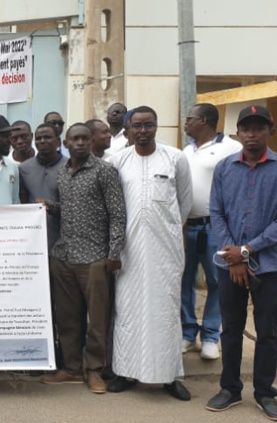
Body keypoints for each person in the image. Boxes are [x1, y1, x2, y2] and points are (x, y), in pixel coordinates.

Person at [205, 105, 277, 422]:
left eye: (258, 128)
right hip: (228, 263)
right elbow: (216, 214)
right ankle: (230, 389)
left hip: (269, 267)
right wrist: (232, 253)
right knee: (230, 330)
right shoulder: (224, 168)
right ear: (238, 132)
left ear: (269, 131)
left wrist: (246, 251)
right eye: (246, 128)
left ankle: (264, 393)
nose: (251, 134)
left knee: (268, 332)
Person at [106, 106, 193, 400]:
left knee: (165, 310)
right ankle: (126, 372)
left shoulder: (175, 158)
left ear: (157, 127)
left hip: (165, 250)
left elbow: (184, 203)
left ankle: (168, 377)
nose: (143, 131)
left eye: (149, 125)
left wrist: (166, 232)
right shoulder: (117, 161)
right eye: (137, 126)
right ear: (128, 129)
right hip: (128, 250)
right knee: (127, 309)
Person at [43, 123, 125, 394]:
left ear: (91, 142)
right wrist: (48, 208)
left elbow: (117, 214)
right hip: (63, 255)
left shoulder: (104, 171)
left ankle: (94, 371)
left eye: (84, 139)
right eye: (74, 139)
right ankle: (71, 367)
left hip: (94, 258)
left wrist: (113, 253)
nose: (79, 143)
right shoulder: (63, 173)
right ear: (65, 143)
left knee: (97, 320)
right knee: (67, 318)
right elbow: (68, 210)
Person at [180, 103, 242, 360]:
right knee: (185, 280)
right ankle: (187, 332)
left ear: (204, 120)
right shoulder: (186, 150)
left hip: (217, 227)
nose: (186, 123)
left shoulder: (231, 148)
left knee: (218, 281)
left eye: (190, 118)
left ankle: (210, 336)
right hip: (188, 225)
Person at [19, 122, 65, 253]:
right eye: (38, 138)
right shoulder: (23, 168)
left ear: (58, 141)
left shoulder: (69, 166)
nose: (42, 141)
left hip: (62, 241)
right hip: (32, 239)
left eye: (47, 137)